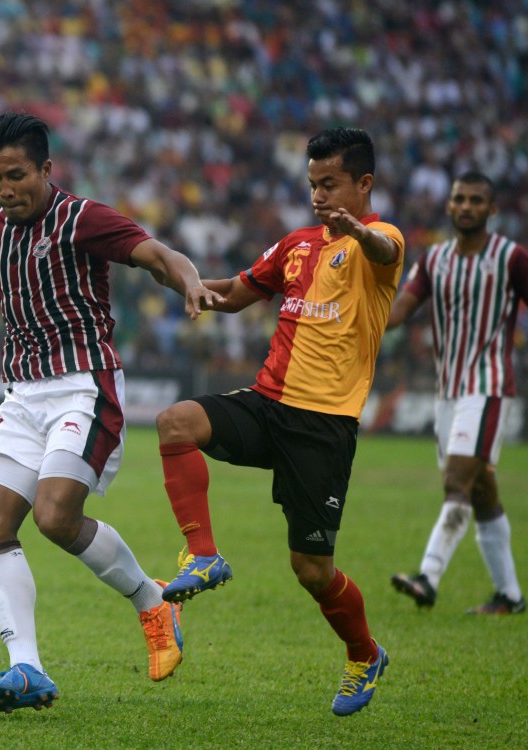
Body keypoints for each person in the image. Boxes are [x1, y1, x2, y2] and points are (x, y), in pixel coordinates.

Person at [0, 112, 222, 714]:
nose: (4, 189)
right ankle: (27, 670)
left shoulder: (83, 219)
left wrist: (190, 282)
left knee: (54, 517)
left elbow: (157, 254)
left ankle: (152, 602)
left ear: (46, 169)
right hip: (22, 394)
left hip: (84, 387)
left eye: (16, 175)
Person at [154, 127, 404, 717]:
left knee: (312, 571)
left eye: (331, 184)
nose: (319, 195)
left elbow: (384, 251)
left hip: (324, 425)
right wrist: (183, 281)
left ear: (364, 183)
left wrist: (357, 230)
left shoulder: (381, 240)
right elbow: (238, 293)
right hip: (268, 404)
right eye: (313, 184)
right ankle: (203, 555)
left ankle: (364, 654)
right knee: (175, 423)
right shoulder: (295, 244)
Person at [388, 172, 528, 614]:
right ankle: (509, 596)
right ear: (449, 206)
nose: (467, 206)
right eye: (460, 199)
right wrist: (358, 316)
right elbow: (399, 311)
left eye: (476, 200)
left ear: (492, 209)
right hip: (447, 392)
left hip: (488, 386)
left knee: (457, 481)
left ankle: (428, 576)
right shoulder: (434, 260)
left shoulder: (511, 258)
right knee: (480, 491)